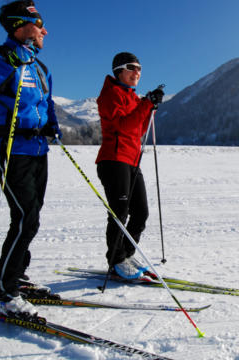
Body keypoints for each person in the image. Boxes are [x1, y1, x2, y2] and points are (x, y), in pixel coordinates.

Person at [0, 0, 61, 318]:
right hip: (9, 150)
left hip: (38, 152)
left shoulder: (41, 66)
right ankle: (6, 294)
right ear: (20, 25)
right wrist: (8, 64)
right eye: (39, 23)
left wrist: (53, 124)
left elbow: (46, 103)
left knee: (31, 217)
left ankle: (18, 277)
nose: (45, 29)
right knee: (25, 218)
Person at [95, 52, 164, 279]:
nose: (138, 72)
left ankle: (126, 254)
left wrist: (150, 107)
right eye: (132, 67)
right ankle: (115, 261)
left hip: (132, 161)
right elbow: (124, 127)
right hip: (113, 161)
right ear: (119, 70)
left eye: (140, 69)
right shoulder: (110, 94)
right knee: (119, 213)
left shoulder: (132, 97)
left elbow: (138, 129)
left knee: (141, 213)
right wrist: (145, 105)